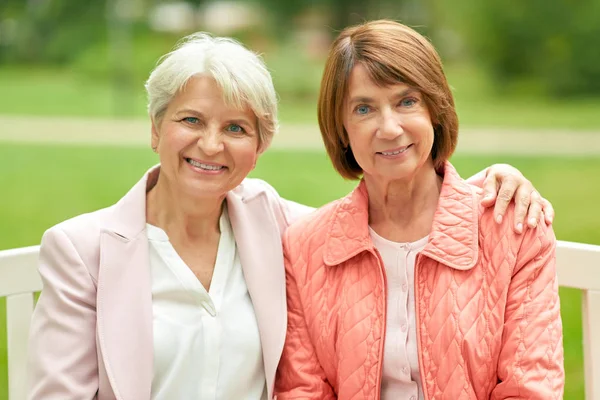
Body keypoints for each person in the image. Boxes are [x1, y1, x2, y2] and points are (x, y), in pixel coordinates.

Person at [27, 32, 554, 400]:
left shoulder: (278, 226)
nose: (211, 144)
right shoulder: (84, 248)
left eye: (236, 128)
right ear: (155, 129)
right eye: (191, 120)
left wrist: (493, 179)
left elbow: (382, 218)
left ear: (260, 147)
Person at [275, 20, 563, 400]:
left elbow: (529, 390)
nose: (390, 128)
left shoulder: (514, 228)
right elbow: (303, 391)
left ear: (436, 109)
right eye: (364, 108)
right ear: (341, 129)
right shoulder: (303, 246)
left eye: (406, 102)